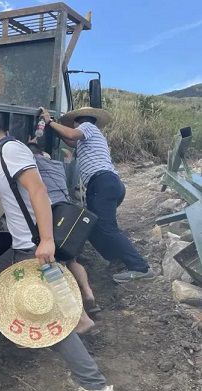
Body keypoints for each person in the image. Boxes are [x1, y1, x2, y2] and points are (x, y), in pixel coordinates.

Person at [0, 109, 121, 391]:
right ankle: (27, 331)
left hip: (33, 248)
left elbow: (38, 190)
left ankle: (95, 387)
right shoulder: (0, 154)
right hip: (21, 247)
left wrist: (47, 239)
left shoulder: (10, 151)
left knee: (52, 321)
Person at [39, 106, 154, 283]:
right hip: (106, 184)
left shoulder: (87, 127)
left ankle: (140, 267)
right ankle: (116, 260)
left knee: (107, 229)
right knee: (91, 227)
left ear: (79, 121)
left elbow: (71, 135)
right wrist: (53, 129)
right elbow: (70, 141)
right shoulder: (89, 138)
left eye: (74, 124)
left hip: (103, 183)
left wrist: (49, 122)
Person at [27, 142, 100, 323]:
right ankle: (88, 294)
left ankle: (78, 315)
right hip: (72, 216)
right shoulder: (58, 165)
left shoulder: (33, 165)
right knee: (72, 260)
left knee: (56, 267)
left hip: (56, 219)